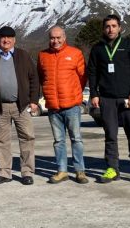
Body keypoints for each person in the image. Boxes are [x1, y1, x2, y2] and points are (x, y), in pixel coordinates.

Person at [87, 14, 130, 184]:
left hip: (128, 99)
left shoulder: (129, 45)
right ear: (103, 29)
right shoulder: (97, 48)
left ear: (120, 27)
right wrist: (94, 93)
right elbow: (92, 73)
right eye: (107, 26)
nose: (111, 29)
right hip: (107, 99)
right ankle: (112, 169)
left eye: (114, 26)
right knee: (110, 136)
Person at [0, 26, 39, 185]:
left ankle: (27, 172)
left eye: (9, 38)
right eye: (2, 38)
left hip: (21, 106)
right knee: (0, 140)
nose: (6, 40)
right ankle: (4, 172)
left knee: (27, 138)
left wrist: (34, 100)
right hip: (0, 108)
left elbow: (34, 79)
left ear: (14, 40)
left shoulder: (23, 56)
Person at [37, 25, 88, 184]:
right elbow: (41, 77)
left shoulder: (75, 53)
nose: (55, 41)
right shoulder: (42, 55)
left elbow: (82, 77)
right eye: (52, 38)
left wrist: (74, 94)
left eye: (58, 37)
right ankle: (62, 171)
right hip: (53, 107)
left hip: (72, 106)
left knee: (76, 139)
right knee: (58, 141)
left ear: (64, 38)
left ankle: (80, 171)